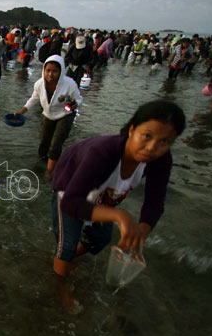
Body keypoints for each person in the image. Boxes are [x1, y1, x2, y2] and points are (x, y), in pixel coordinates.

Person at [50, 100, 186, 314]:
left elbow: (154, 204)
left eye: (165, 141)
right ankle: (59, 286)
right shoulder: (102, 152)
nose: (152, 148)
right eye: (147, 136)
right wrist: (120, 217)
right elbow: (70, 203)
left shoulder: (161, 161)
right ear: (132, 130)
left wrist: (140, 233)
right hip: (70, 188)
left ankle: (64, 260)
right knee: (67, 243)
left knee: (101, 239)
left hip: (103, 196)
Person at [14, 55, 82, 175]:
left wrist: (76, 104)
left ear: (61, 72)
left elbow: (79, 99)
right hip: (48, 114)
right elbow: (34, 98)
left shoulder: (69, 84)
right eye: (48, 70)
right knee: (44, 141)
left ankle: (49, 172)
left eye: (55, 71)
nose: (50, 74)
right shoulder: (39, 84)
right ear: (44, 70)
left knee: (56, 143)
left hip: (65, 115)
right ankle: (42, 164)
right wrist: (23, 110)